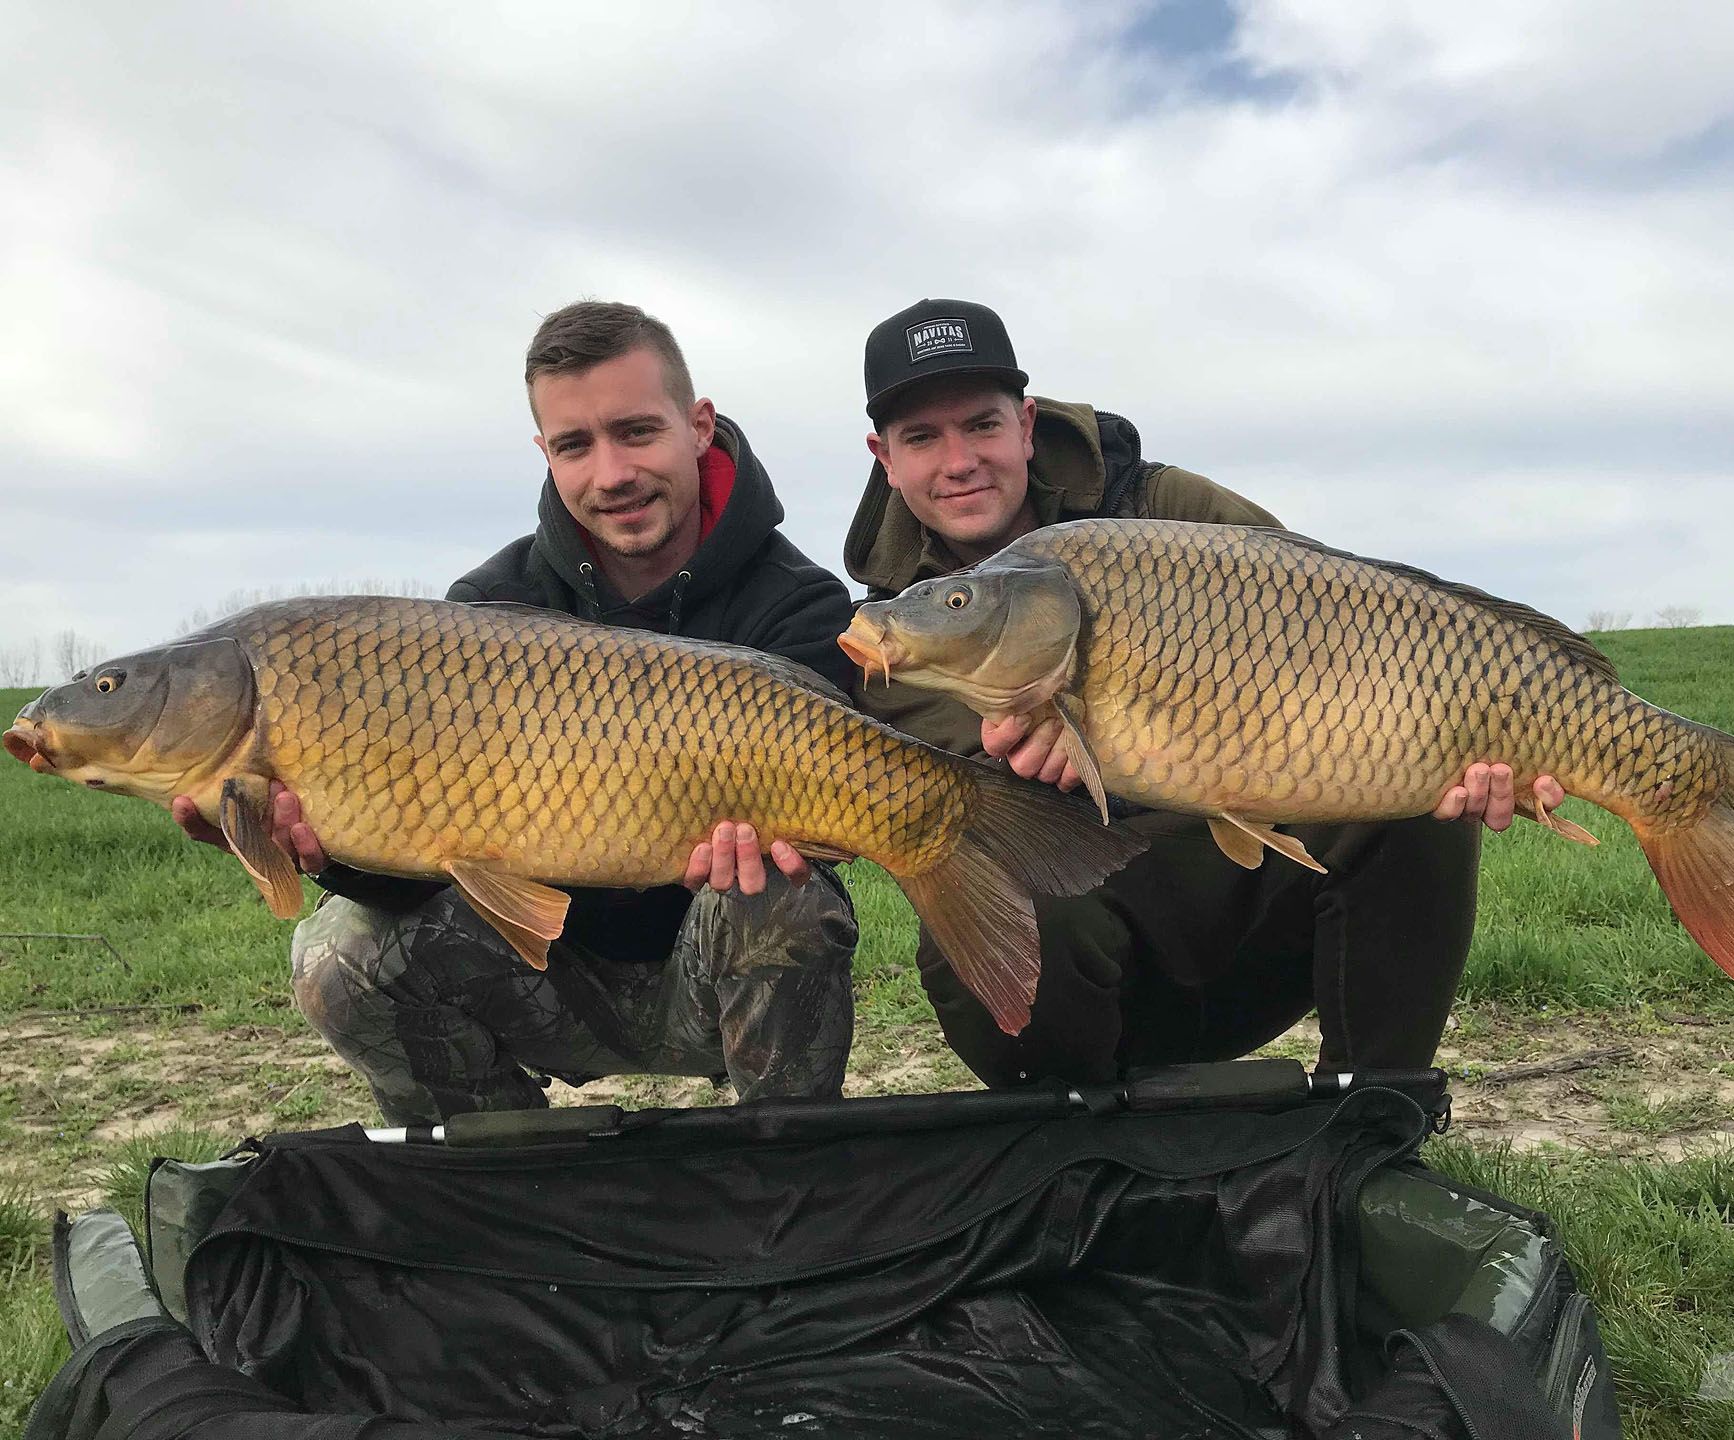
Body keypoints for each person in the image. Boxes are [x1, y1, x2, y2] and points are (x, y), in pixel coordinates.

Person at [844, 297, 1565, 1086]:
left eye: (981, 425)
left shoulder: (1170, 511)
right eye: (923, 438)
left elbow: (1348, 614)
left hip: (1253, 902)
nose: (959, 461)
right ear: (885, 456)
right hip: (1089, 939)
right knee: (977, 895)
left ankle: (1376, 1111)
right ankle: (1077, 1138)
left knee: (1417, 802)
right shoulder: (891, 631)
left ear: (1025, 423)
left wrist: (1474, 742)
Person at [175, 301, 860, 1124]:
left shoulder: (796, 604)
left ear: (699, 425)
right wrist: (321, 848)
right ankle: (514, 1177)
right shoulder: (487, 614)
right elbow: (424, 847)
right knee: (339, 951)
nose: (611, 474)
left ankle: (783, 1170)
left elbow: (825, 841)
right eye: (575, 445)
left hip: (719, 973)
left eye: (637, 431)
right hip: (549, 981)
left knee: (782, 899)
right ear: (545, 454)